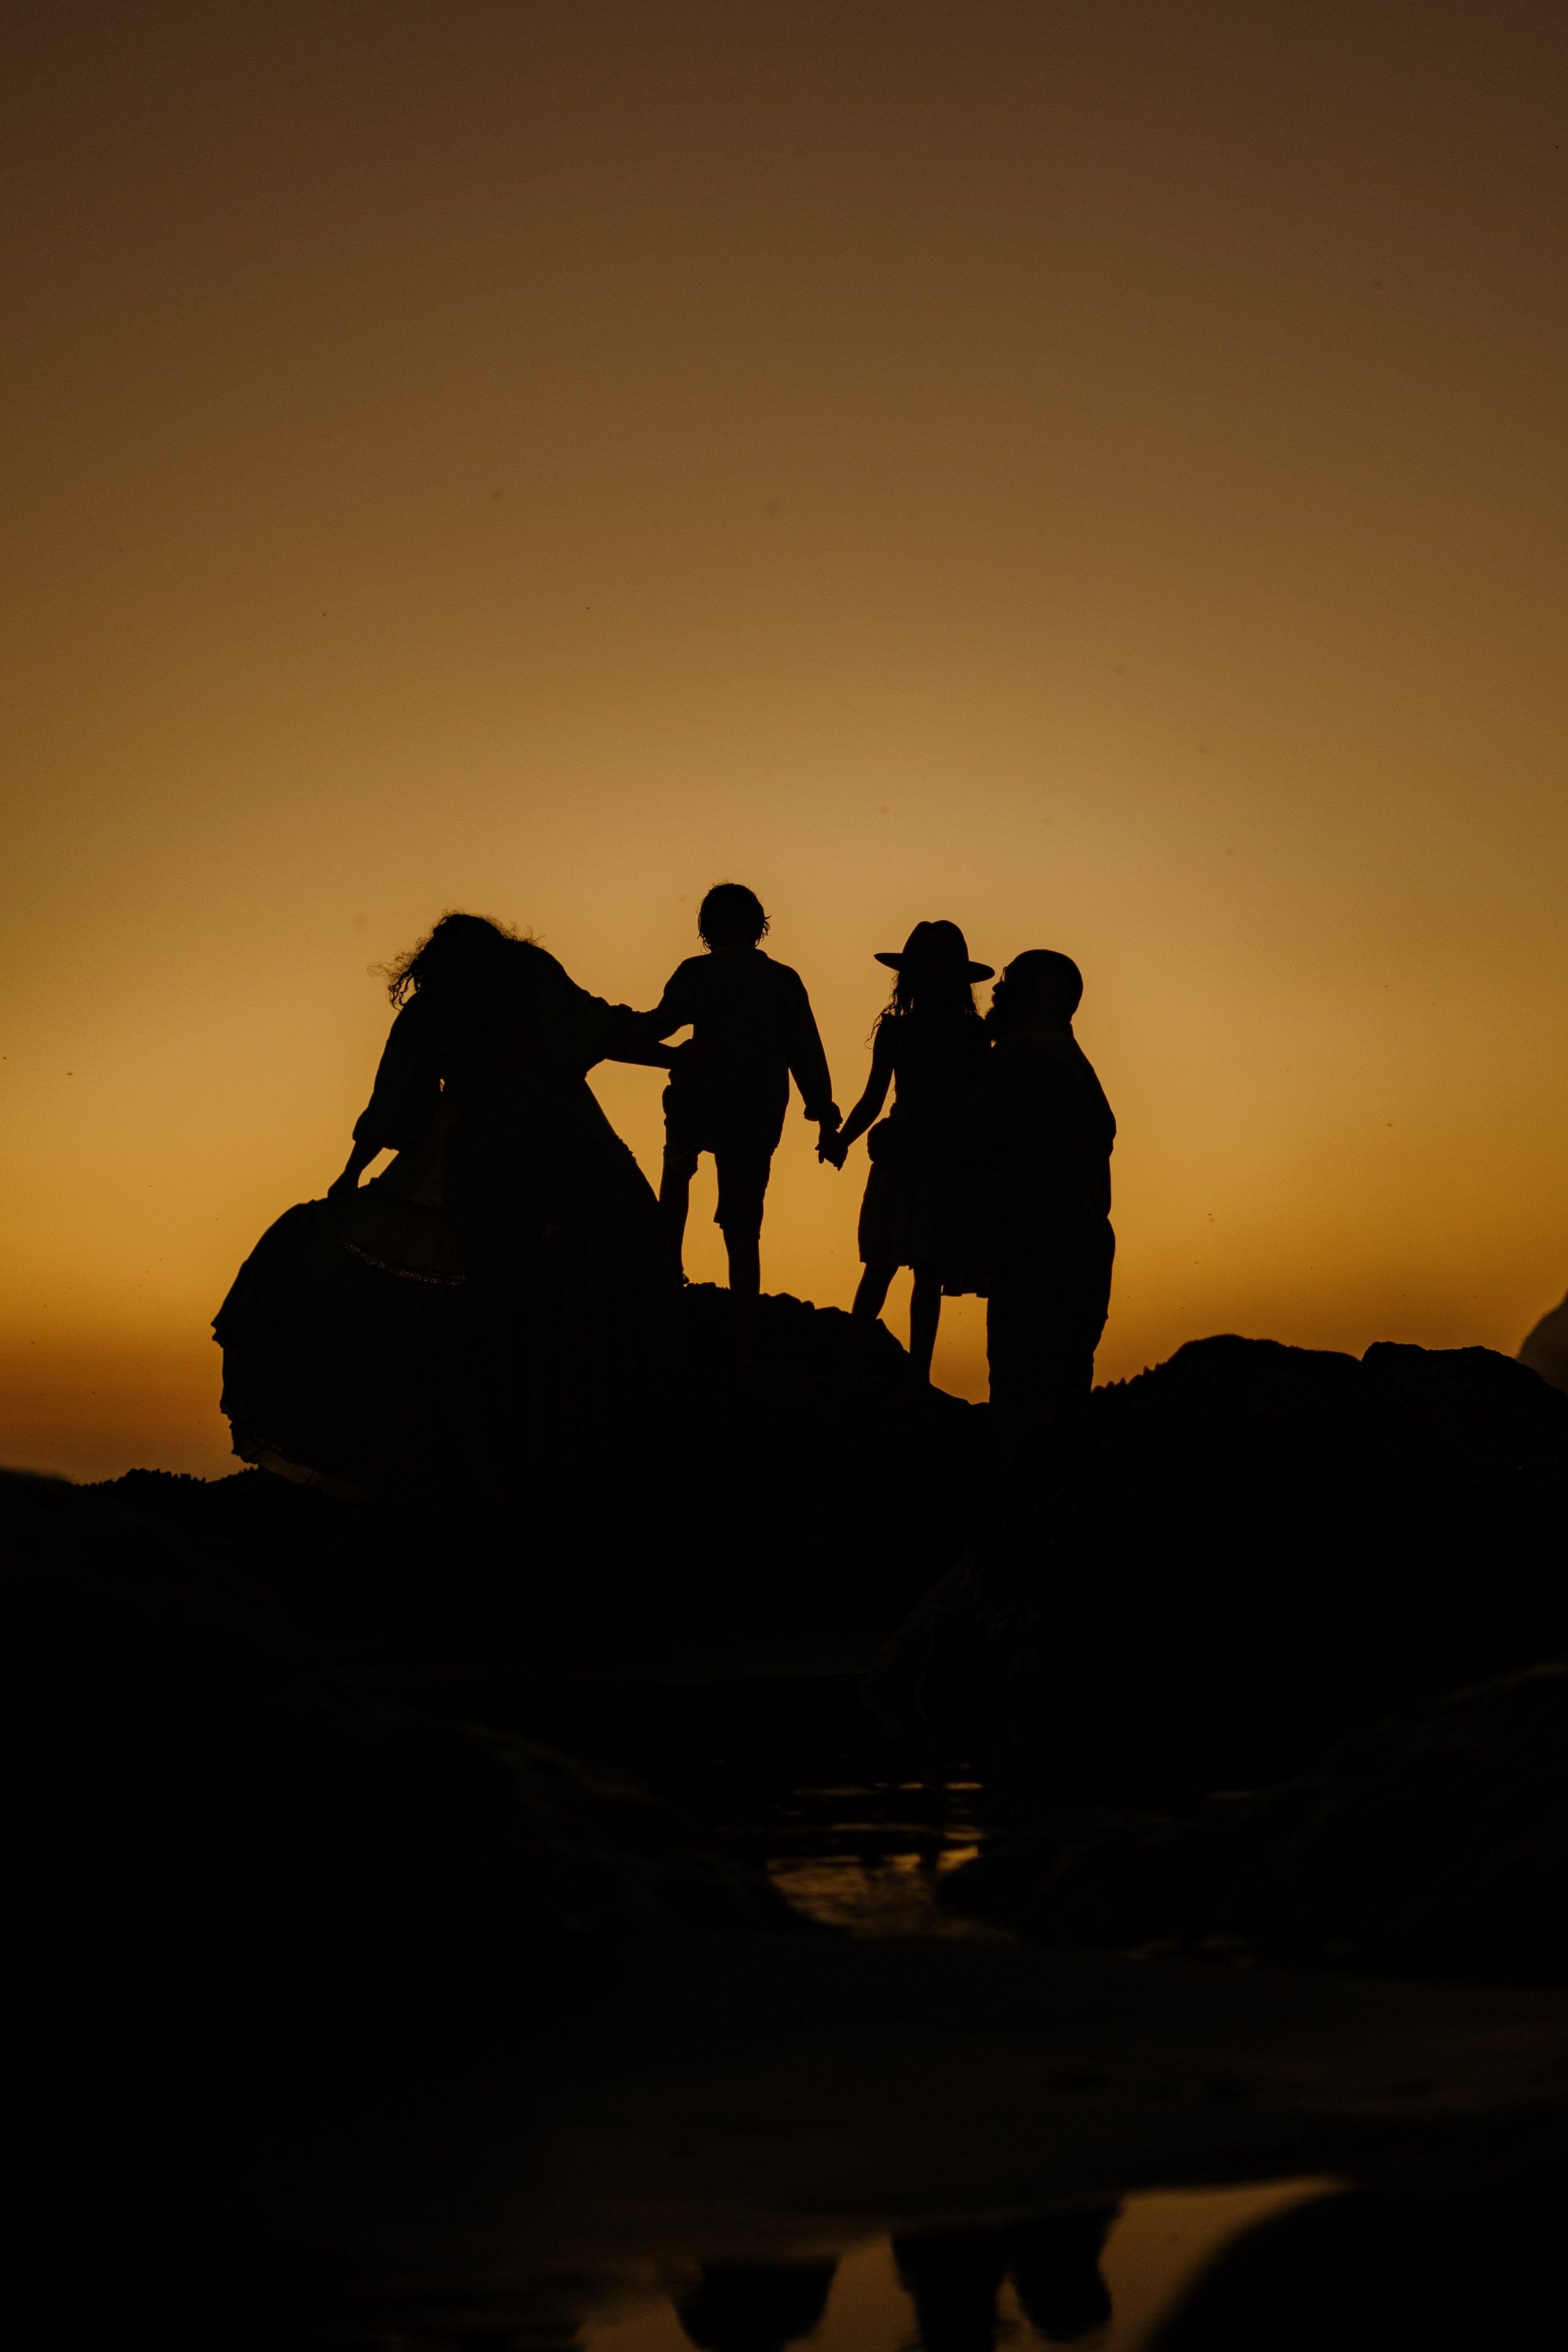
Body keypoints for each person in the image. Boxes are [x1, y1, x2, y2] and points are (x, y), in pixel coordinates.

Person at [213, 911, 676, 1494]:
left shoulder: (442, 1005)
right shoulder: (520, 978)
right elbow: (595, 1030)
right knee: (573, 1288)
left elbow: (393, 1106)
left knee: (500, 1298)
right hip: (562, 1153)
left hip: (503, 1162)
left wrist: (351, 1175)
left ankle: (514, 1440)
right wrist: (677, 1056)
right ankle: (572, 1435)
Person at [633, 883, 839, 1369]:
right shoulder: (783, 980)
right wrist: (824, 1116)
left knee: (676, 1179)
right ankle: (745, 1346)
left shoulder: (697, 974)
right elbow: (806, 1053)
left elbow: (660, 1023)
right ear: (759, 925)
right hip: (756, 1107)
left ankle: (669, 1290)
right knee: (743, 1227)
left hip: (697, 1097)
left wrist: (608, 1029)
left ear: (705, 928)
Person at [821, 920, 992, 1390]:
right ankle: (881, 1372)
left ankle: (894, 1373)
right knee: (895, 1267)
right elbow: (874, 1098)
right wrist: (843, 1139)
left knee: (906, 1269)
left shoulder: (954, 1033)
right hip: (923, 1156)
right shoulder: (956, 1033)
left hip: (933, 1156)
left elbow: (876, 1099)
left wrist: (843, 1140)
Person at [965, 949, 1115, 1453]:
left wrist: (902, 1138)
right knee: (1064, 1415)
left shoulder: (1023, 1054)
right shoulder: (1074, 1065)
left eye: (1012, 980)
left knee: (1021, 1416)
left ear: (1044, 995)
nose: (999, 990)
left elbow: (972, 1138)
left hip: (1038, 1260)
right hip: (1083, 1259)